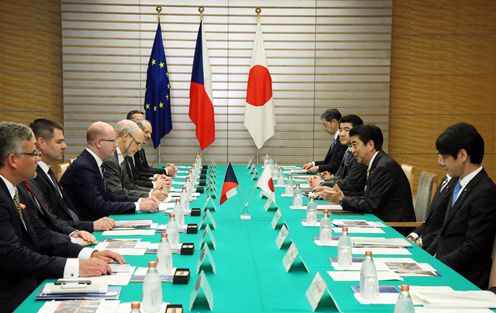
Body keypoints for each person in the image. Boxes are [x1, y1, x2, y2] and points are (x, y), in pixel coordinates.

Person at [0, 122, 124, 311]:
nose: (37, 158)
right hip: (13, 295)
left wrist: (89, 253)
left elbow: (40, 233)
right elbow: (13, 256)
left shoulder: (18, 190)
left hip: (29, 280)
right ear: (13, 160)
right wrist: (76, 267)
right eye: (33, 153)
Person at [426, 123, 496, 289]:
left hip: (462, 277)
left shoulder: (485, 192)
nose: (441, 163)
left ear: (462, 155)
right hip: (444, 265)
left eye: (444, 157)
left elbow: (473, 247)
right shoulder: (459, 183)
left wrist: (436, 265)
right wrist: (425, 257)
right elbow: (444, 231)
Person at [60, 121, 159, 221]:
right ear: (99, 143)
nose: (116, 145)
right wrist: (138, 206)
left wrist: (141, 200)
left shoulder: (94, 162)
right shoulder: (84, 167)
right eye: (112, 141)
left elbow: (109, 196)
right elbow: (99, 206)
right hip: (88, 226)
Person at [315, 125, 415, 222]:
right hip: (379, 219)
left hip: (393, 227)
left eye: (355, 145)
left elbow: (370, 204)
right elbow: (366, 195)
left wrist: (342, 200)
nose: (352, 150)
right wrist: (337, 193)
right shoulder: (377, 162)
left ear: (370, 145)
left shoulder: (384, 167)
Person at [30, 119, 115, 232]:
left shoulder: (48, 171)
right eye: (59, 141)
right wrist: (90, 225)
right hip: (66, 234)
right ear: (41, 143)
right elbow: (51, 222)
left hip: (74, 228)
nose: (65, 146)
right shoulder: (34, 177)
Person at [102, 120, 168, 200]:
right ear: (126, 137)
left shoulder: (122, 156)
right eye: (137, 143)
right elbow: (117, 192)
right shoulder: (111, 160)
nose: (139, 148)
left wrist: (151, 192)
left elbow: (128, 186)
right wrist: (150, 195)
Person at [308, 114, 367, 193]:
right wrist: (330, 179)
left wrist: (322, 183)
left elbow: (351, 185)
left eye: (346, 130)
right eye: (340, 130)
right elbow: (341, 176)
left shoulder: (360, 155)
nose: (342, 134)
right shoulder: (348, 151)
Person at [407, 172, 458, 249]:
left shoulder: (456, 186)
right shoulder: (446, 179)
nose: (440, 159)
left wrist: (422, 242)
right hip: (423, 239)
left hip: (434, 246)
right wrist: (413, 236)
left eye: (445, 158)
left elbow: (446, 227)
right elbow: (429, 222)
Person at [303, 108, 347, 174]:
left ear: (334, 122)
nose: (325, 129)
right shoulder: (336, 138)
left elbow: (336, 165)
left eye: (325, 125)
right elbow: (329, 162)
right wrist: (313, 163)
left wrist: (317, 168)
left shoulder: (342, 140)